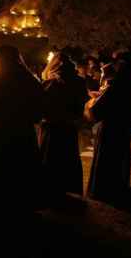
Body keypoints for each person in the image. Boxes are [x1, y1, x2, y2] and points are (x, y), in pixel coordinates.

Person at [0, 45, 43, 218]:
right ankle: (23, 205)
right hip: (22, 132)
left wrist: (0, 119)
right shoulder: (29, 79)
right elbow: (38, 111)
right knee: (21, 169)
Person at [85, 53, 131, 204]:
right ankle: (119, 188)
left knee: (107, 160)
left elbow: (98, 110)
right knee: (120, 158)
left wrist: (93, 102)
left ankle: (104, 191)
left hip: (111, 129)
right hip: (123, 129)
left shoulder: (116, 86)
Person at [39, 50, 87, 204]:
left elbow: (42, 107)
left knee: (51, 159)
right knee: (69, 158)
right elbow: (81, 105)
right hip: (69, 127)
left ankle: (50, 193)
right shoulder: (79, 81)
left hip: (52, 128)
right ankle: (70, 191)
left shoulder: (51, 83)